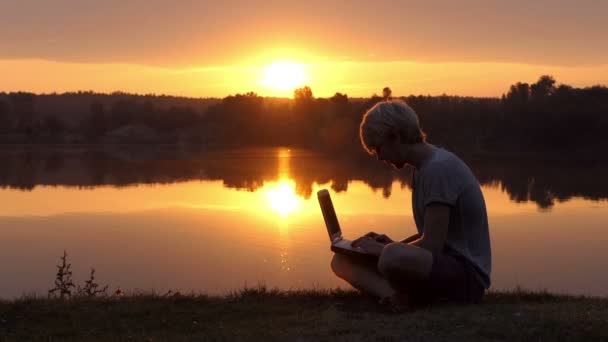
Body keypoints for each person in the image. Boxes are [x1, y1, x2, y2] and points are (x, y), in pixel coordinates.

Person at [331, 100, 491, 308]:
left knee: (390, 256)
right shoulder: (424, 169)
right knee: (341, 261)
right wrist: (384, 246)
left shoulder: (438, 170)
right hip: (439, 265)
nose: (379, 157)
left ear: (395, 137)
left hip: (466, 277)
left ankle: (397, 296)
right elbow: (429, 236)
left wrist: (383, 250)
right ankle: (395, 297)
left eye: (378, 148)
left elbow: (433, 245)